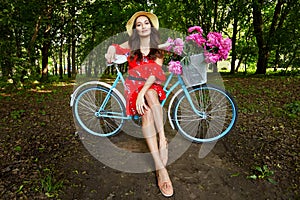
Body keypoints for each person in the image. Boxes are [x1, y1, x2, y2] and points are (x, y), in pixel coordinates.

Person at [105, 11, 173, 197]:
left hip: (150, 85)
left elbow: (154, 73)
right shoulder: (131, 45)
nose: (143, 26)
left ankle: (162, 139)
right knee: (147, 114)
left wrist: (144, 91)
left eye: (146, 23)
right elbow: (115, 47)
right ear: (135, 29)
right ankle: (161, 168)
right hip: (133, 86)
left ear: (151, 26)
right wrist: (112, 49)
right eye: (139, 24)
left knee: (150, 95)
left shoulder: (158, 48)